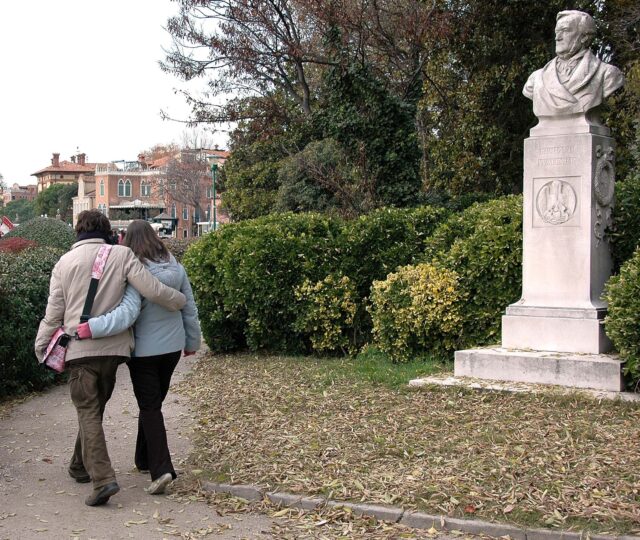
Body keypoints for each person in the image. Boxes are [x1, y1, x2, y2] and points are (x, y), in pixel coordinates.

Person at [35, 210, 187, 507]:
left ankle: (103, 480)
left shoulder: (64, 262)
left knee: (88, 411)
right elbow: (152, 290)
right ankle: (79, 465)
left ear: (77, 231)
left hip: (81, 348)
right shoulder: (121, 255)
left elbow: (53, 313)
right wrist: (179, 301)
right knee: (93, 406)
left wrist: (42, 347)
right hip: (115, 351)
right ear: (107, 230)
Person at [76, 219, 201, 496]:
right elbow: (188, 307)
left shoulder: (136, 273)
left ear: (129, 242)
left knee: (150, 406)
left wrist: (93, 327)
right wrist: (192, 342)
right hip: (172, 349)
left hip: (144, 351)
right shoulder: (176, 267)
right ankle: (143, 458)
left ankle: (162, 469)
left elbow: (127, 313)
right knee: (154, 403)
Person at [523, 10, 624, 117]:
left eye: (565, 30)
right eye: (557, 32)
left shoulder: (607, 74)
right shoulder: (536, 78)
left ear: (584, 37)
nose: (558, 37)